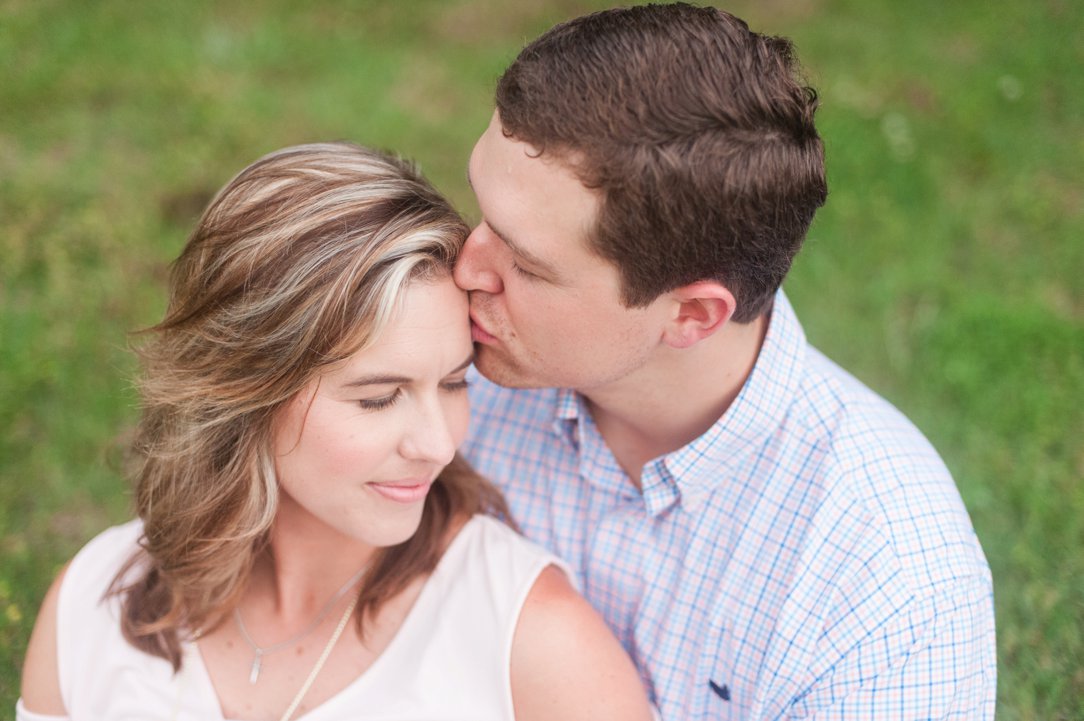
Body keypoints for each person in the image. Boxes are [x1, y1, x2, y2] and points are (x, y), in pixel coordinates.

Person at [454, 4, 996, 719]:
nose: (464, 267)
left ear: (691, 315)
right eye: (481, 213)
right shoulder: (433, 378)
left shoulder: (886, 575)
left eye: (524, 264)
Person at [19, 143, 653, 721]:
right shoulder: (93, 605)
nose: (437, 443)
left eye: (456, 384)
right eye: (379, 398)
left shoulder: (532, 647)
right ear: (247, 388)